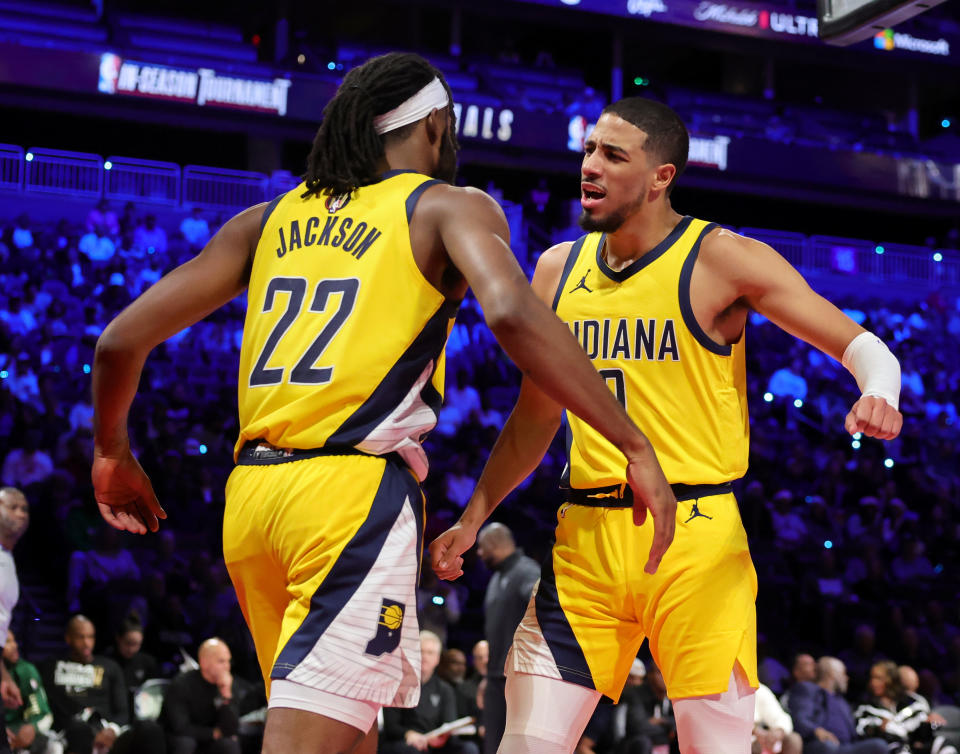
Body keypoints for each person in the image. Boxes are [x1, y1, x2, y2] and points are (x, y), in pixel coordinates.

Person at [90, 53, 675, 754]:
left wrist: (110, 452)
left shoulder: (267, 218)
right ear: (434, 124)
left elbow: (119, 341)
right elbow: (514, 316)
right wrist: (634, 443)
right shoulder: (447, 206)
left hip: (251, 505)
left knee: (348, 733)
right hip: (349, 500)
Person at [431, 96, 903, 753]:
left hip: (697, 540)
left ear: (662, 177)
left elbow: (859, 344)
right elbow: (535, 414)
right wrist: (474, 515)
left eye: (613, 156)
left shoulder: (721, 258)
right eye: (590, 150)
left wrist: (880, 390)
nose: (590, 166)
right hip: (586, 542)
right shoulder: (556, 269)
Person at [39, 615, 164, 754]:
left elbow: (123, 711)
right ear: (68, 638)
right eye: (81, 637)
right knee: (80, 730)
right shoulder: (51, 667)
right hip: (71, 730)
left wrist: (112, 730)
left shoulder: (109, 666)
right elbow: (49, 708)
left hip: (107, 730)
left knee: (151, 730)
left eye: (90, 637)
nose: (87, 643)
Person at [474, 524, 539, 754]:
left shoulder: (527, 571)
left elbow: (543, 611)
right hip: (495, 679)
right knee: (492, 747)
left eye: (481, 548)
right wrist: (488, 675)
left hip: (519, 678)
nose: (479, 554)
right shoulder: (497, 578)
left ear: (494, 544)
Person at [381, 632, 476, 754]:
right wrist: (409, 734)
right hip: (406, 742)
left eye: (430, 653)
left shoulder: (445, 689)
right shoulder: (397, 685)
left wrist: (441, 738)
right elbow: (391, 726)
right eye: (421, 651)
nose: (424, 656)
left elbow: (449, 724)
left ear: (437, 659)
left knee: (468, 749)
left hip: (435, 743)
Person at [160, 638, 252, 754]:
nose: (227, 667)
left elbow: (231, 729)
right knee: (186, 743)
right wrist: (213, 733)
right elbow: (180, 727)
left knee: (229, 745)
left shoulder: (227, 684)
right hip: (179, 737)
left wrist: (226, 693)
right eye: (221, 661)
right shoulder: (181, 684)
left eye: (228, 661)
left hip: (208, 739)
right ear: (204, 662)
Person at [853, 660, 956, 754]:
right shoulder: (866, 706)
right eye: (872, 678)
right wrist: (878, 727)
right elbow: (861, 730)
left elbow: (923, 722)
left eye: (879, 678)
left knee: (944, 744)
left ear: (892, 680)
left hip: (916, 745)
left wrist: (927, 721)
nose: (873, 682)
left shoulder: (911, 701)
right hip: (889, 748)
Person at [787, 657, 886, 754]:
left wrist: (873, 730)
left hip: (846, 746)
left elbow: (856, 732)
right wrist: (816, 730)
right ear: (832, 673)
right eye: (843, 673)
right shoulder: (808, 689)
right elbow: (799, 718)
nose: (847, 678)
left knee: (878, 745)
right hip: (820, 744)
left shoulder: (842, 701)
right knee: (827, 747)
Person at [0, 487, 29, 754]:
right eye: (12, 507)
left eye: (24, 509)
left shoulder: (7, 559)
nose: (20, 514)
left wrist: (4, 674)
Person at [3, 630, 63, 754]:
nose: (15, 645)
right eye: (8, 642)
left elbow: (42, 714)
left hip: (17, 731)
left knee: (52, 746)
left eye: (14, 640)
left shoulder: (25, 670)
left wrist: (32, 727)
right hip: (3, 731)